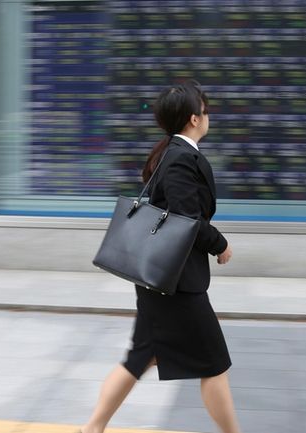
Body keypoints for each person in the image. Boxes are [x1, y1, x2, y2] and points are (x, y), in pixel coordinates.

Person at [80, 80, 241, 433]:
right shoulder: (182, 159)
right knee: (213, 363)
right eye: (206, 109)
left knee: (141, 356)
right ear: (194, 119)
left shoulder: (169, 152)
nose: (208, 115)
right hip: (175, 285)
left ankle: (92, 428)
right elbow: (188, 219)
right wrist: (220, 244)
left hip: (159, 280)